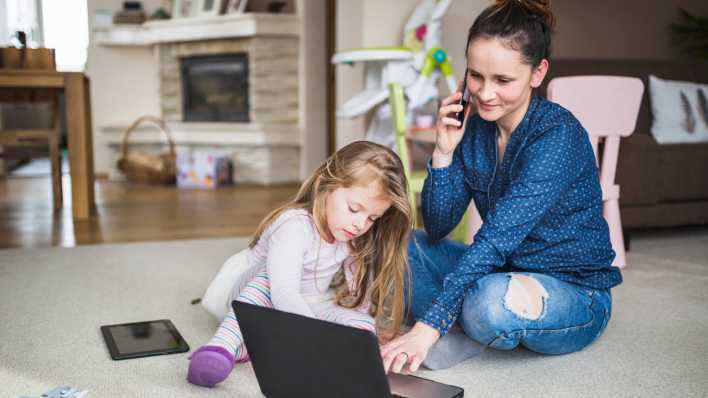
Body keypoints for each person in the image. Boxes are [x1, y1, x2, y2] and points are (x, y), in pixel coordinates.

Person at [381, 0, 622, 373]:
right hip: (502, 270)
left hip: (573, 289)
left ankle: (452, 325)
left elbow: (494, 240)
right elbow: (439, 226)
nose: (485, 93)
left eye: (503, 80)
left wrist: (427, 327)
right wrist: (444, 152)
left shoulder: (557, 136)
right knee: (405, 245)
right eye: (476, 76)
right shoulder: (474, 129)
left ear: (538, 73)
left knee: (488, 304)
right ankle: (461, 326)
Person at [187, 141, 412, 387]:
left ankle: (253, 349)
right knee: (266, 280)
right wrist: (319, 337)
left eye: (372, 218)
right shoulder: (294, 225)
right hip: (249, 300)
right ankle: (221, 347)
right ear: (323, 186)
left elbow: (359, 301)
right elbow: (283, 293)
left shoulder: (350, 235)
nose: (360, 224)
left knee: (363, 328)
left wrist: (367, 334)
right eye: (354, 208)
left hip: (302, 308)